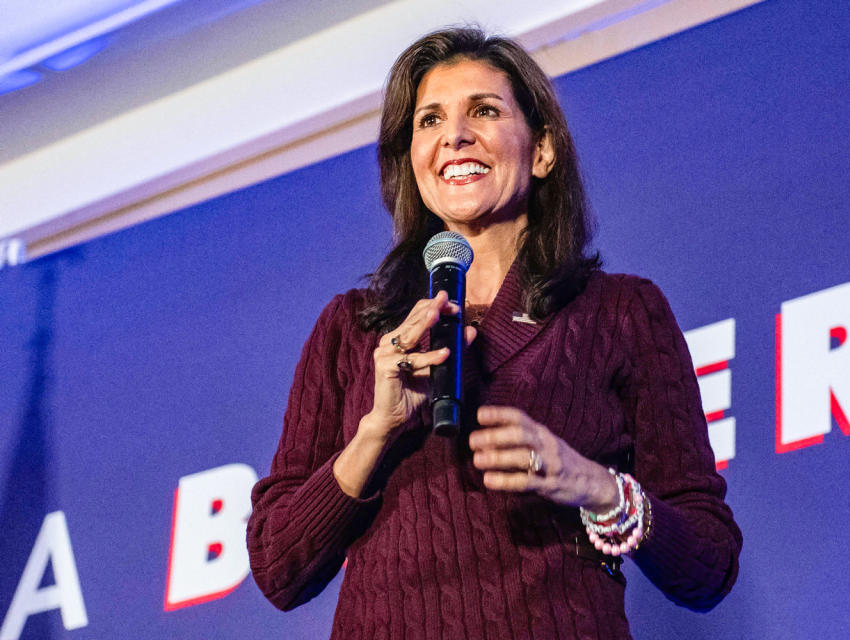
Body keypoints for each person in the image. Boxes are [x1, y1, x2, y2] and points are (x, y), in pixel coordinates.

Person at [246, 27, 741, 639]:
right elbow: (278, 569)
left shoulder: (619, 312)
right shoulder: (353, 330)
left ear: (542, 151)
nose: (453, 134)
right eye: (429, 120)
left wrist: (592, 485)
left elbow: (709, 564)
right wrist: (375, 434)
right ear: (414, 165)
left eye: (483, 110)